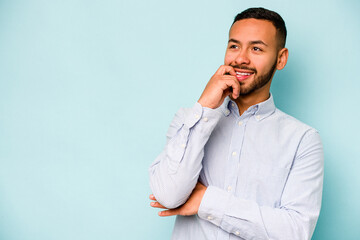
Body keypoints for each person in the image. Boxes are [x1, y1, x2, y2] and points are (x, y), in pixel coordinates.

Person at [148, 7, 324, 240]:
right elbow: (168, 195)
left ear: (280, 58)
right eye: (234, 46)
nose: (241, 58)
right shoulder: (188, 119)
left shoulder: (303, 140)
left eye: (256, 48)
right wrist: (205, 107)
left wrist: (207, 201)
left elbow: (295, 232)